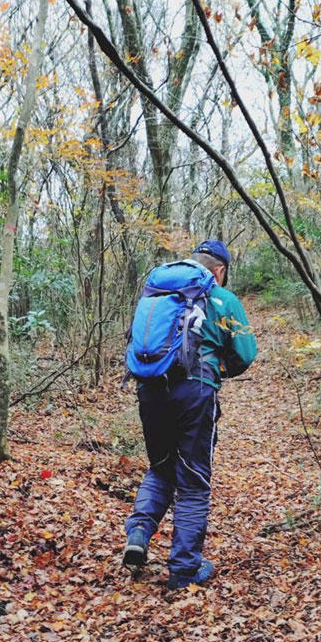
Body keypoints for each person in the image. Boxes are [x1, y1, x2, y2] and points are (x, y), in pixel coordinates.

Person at [122, 239, 257, 588]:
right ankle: (183, 570)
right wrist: (217, 369)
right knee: (194, 481)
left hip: (150, 390)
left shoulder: (156, 295)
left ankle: (138, 532)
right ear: (220, 270)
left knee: (161, 467)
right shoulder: (223, 299)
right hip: (195, 392)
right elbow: (244, 353)